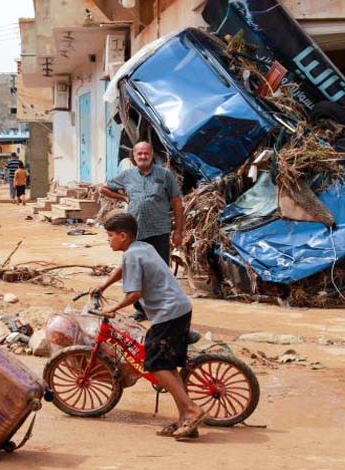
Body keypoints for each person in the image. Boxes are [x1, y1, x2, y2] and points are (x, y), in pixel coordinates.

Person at [93, 212, 205, 440]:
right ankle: (185, 417)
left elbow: (135, 293)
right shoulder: (141, 248)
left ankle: (192, 410)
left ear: (123, 236)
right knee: (168, 365)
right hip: (179, 308)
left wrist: (112, 309)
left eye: (110, 236)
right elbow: (123, 269)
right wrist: (103, 286)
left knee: (153, 364)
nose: (109, 240)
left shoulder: (133, 256)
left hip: (168, 313)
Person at [100, 141, 184, 321]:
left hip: (159, 230)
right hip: (135, 233)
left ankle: (163, 309)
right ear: (134, 156)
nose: (143, 157)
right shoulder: (127, 175)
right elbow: (103, 188)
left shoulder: (164, 175)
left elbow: (177, 202)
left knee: (159, 271)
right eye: (140, 154)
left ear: (152, 155)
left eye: (146, 153)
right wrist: (122, 196)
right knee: (134, 271)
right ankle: (141, 309)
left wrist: (178, 231)